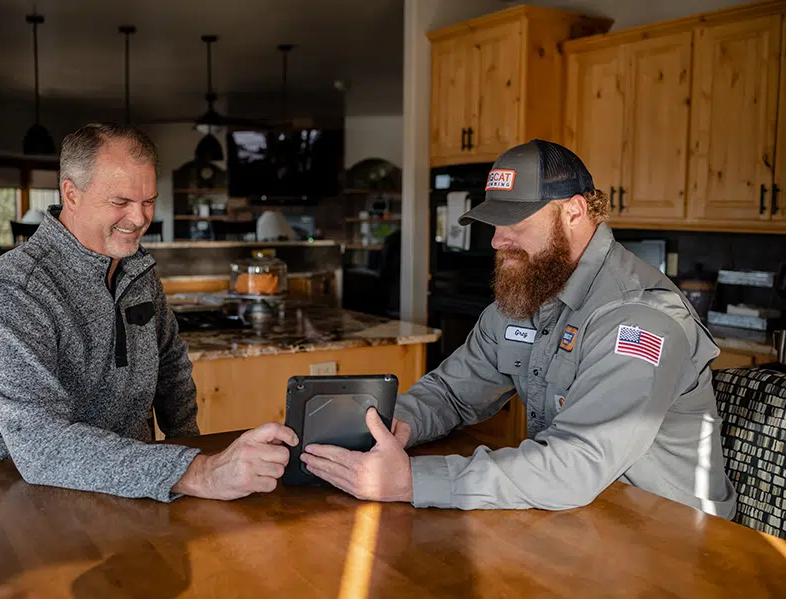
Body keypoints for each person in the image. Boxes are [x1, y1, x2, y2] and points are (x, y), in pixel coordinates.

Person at [300, 139, 737, 518]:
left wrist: (411, 480)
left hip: (672, 539)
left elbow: (576, 462)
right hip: (579, 514)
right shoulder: (528, 295)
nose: (495, 240)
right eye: (494, 222)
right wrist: (402, 425)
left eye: (516, 222)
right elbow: (453, 391)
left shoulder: (639, 319)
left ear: (574, 211)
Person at [0, 123, 297, 502]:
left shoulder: (136, 270)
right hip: (11, 497)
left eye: (148, 201)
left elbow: (171, 368)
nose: (139, 218)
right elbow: (41, 444)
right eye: (121, 202)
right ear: (71, 193)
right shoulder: (13, 290)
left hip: (128, 488)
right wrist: (197, 473)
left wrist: (195, 448)